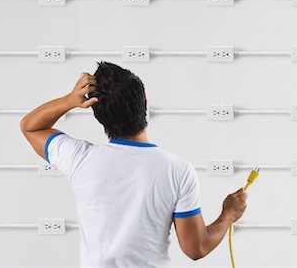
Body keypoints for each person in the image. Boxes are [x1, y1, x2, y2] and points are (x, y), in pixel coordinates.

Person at [20, 61, 247, 267]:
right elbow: (196, 248)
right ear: (145, 103)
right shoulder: (178, 170)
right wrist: (228, 214)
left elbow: (30, 126)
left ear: (97, 114)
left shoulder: (80, 158)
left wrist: (70, 100)